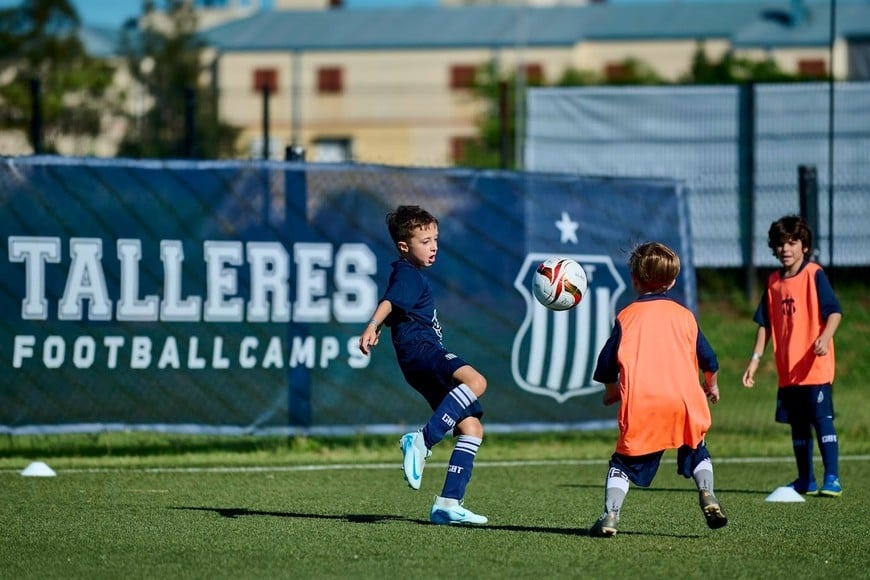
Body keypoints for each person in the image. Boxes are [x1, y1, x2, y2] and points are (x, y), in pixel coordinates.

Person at [359, 205, 488, 525]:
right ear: (405, 246)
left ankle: (447, 503)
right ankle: (421, 441)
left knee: (471, 428)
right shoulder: (406, 272)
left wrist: (377, 326)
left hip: (416, 358)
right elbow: (389, 300)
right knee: (476, 382)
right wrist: (373, 324)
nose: (433, 247)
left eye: (435, 239)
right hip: (421, 350)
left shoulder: (410, 275)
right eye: (425, 241)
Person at [589, 242, 727, 537]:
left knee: (623, 464)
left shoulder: (626, 317)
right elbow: (709, 359)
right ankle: (707, 493)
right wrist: (711, 385)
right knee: (697, 449)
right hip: (685, 403)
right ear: (673, 280)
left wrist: (611, 391)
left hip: (643, 406)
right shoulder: (685, 316)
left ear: (634, 279)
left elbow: (605, 364)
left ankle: (611, 515)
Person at [742, 215, 843, 497]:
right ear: (773, 248)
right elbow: (766, 324)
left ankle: (832, 478)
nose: (786, 249)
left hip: (815, 367)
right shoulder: (773, 282)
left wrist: (825, 337)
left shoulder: (814, 274)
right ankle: (805, 479)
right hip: (789, 371)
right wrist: (755, 359)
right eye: (780, 244)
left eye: (792, 242)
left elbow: (834, 312)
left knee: (821, 419)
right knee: (798, 425)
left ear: (804, 246)